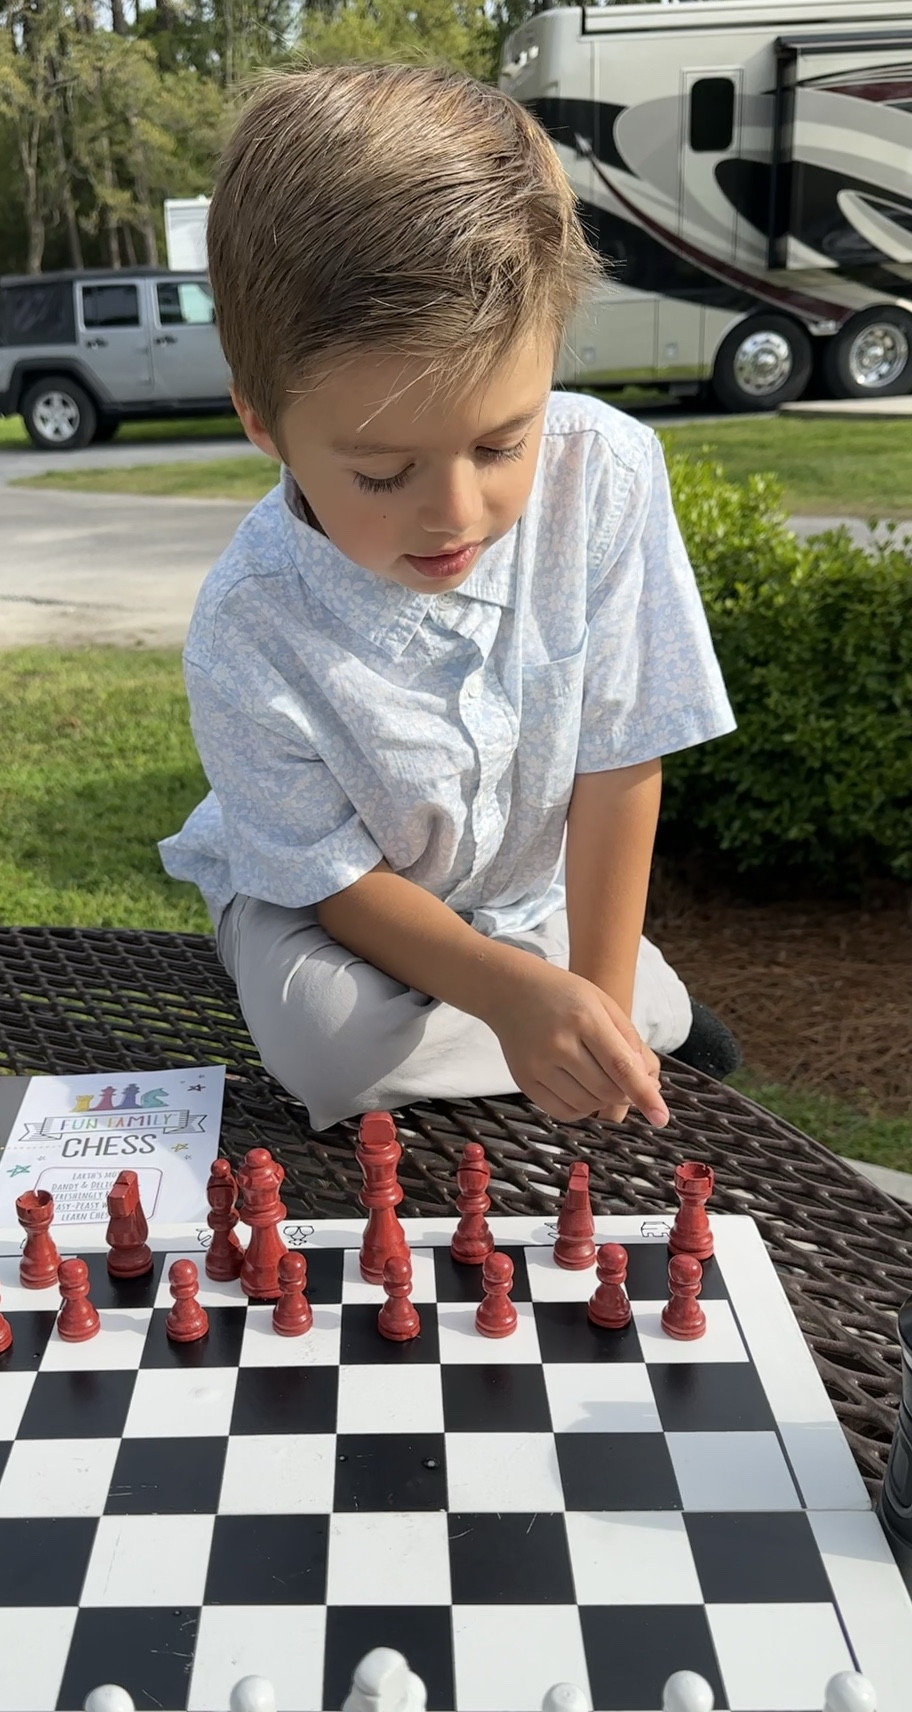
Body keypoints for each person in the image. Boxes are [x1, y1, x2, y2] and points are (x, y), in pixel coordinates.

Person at [159, 62, 739, 1134]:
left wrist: (593, 1004)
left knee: (588, 1005)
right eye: (382, 473)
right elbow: (333, 881)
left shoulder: (606, 474)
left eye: (500, 442)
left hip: (520, 895)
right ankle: (603, 1019)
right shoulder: (246, 624)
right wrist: (515, 994)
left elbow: (620, 760)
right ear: (261, 423)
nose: (454, 513)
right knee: (326, 1046)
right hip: (329, 912)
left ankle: (604, 1012)